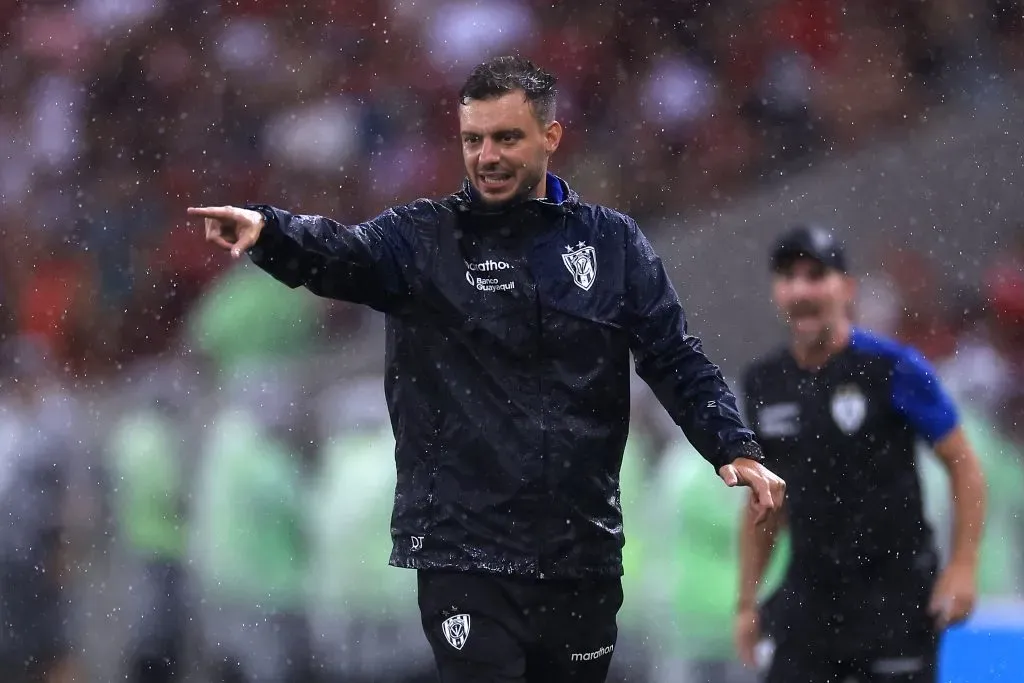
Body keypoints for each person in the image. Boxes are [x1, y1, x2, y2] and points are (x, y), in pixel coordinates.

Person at [189, 55, 785, 683]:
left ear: (550, 138)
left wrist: (731, 444)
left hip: (578, 550)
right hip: (464, 550)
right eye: (473, 140)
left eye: (506, 138)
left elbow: (673, 355)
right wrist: (272, 232)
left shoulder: (612, 244)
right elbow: (342, 255)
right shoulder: (424, 239)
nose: (487, 156)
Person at [735, 225, 988, 683]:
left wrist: (963, 566)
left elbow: (963, 463)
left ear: (847, 288)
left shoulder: (892, 368)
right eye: (789, 277)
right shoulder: (764, 383)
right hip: (810, 604)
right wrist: (746, 602)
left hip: (895, 604)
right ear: (776, 291)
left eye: (816, 276)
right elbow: (765, 502)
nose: (801, 291)